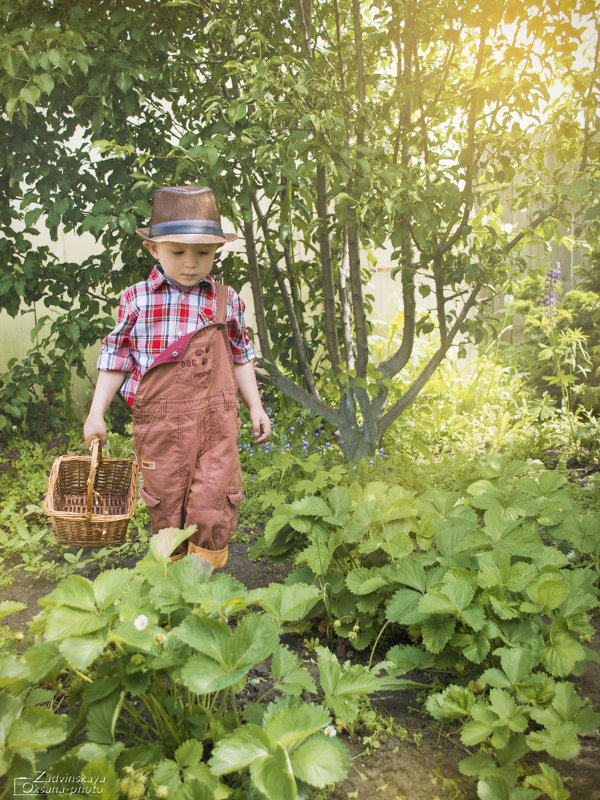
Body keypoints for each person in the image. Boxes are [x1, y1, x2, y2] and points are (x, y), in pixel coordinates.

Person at [83, 185, 271, 568]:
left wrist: (255, 405)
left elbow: (240, 355)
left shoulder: (225, 299)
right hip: (160, 428)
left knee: (212, 502)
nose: (190, 263)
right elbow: (116, 356)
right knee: (167, 509)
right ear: (154, 249)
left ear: (216, 251)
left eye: (203, 253)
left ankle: (202, 589)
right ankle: (171, 595)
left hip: (216, 423)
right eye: (177, 252)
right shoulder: (137, 298)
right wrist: (96, 412)